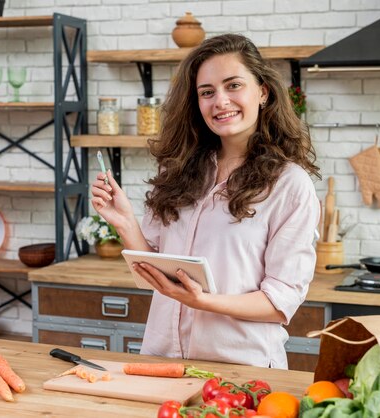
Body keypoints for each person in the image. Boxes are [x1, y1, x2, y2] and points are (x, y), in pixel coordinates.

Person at [91, 33, 321, 369]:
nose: (220, 101)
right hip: (161, 360)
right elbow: (156, 271)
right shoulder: (179, 171)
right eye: (207, 92)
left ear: (262, 92)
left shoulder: (289, 185)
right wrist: (124, 221)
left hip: (240, 367)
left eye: (233, 86)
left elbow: (279, 303)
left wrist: (205, 301)